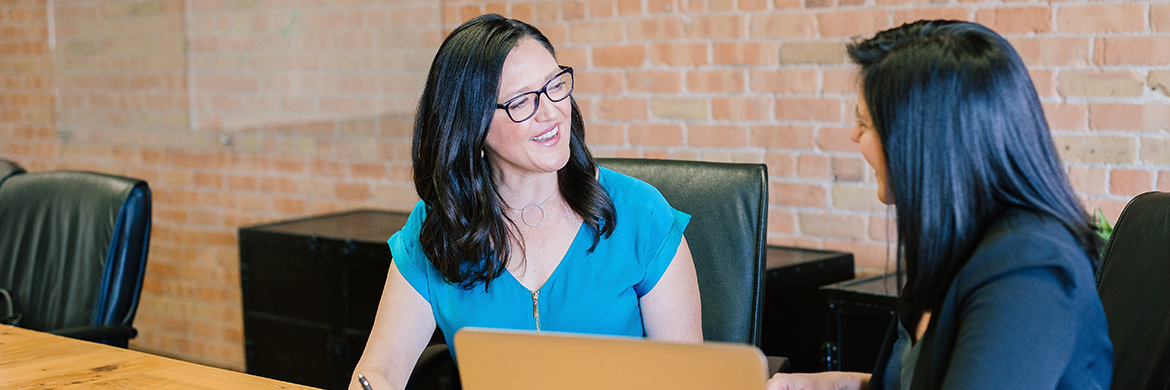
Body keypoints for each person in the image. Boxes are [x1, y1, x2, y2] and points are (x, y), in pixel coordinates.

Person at [350, 14, 702, 390]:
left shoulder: (640, 214)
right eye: (521, 102)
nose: (551, 112)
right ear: (472, 124)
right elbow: (379, 370)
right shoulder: (438, 229)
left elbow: (688, 380)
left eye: (554, 86)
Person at [767, 20, 1112, 390]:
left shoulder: (1029, 271)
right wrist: (830, 385)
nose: (854, 135)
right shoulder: (956, 243)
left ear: (922, 145)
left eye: (865, 123)